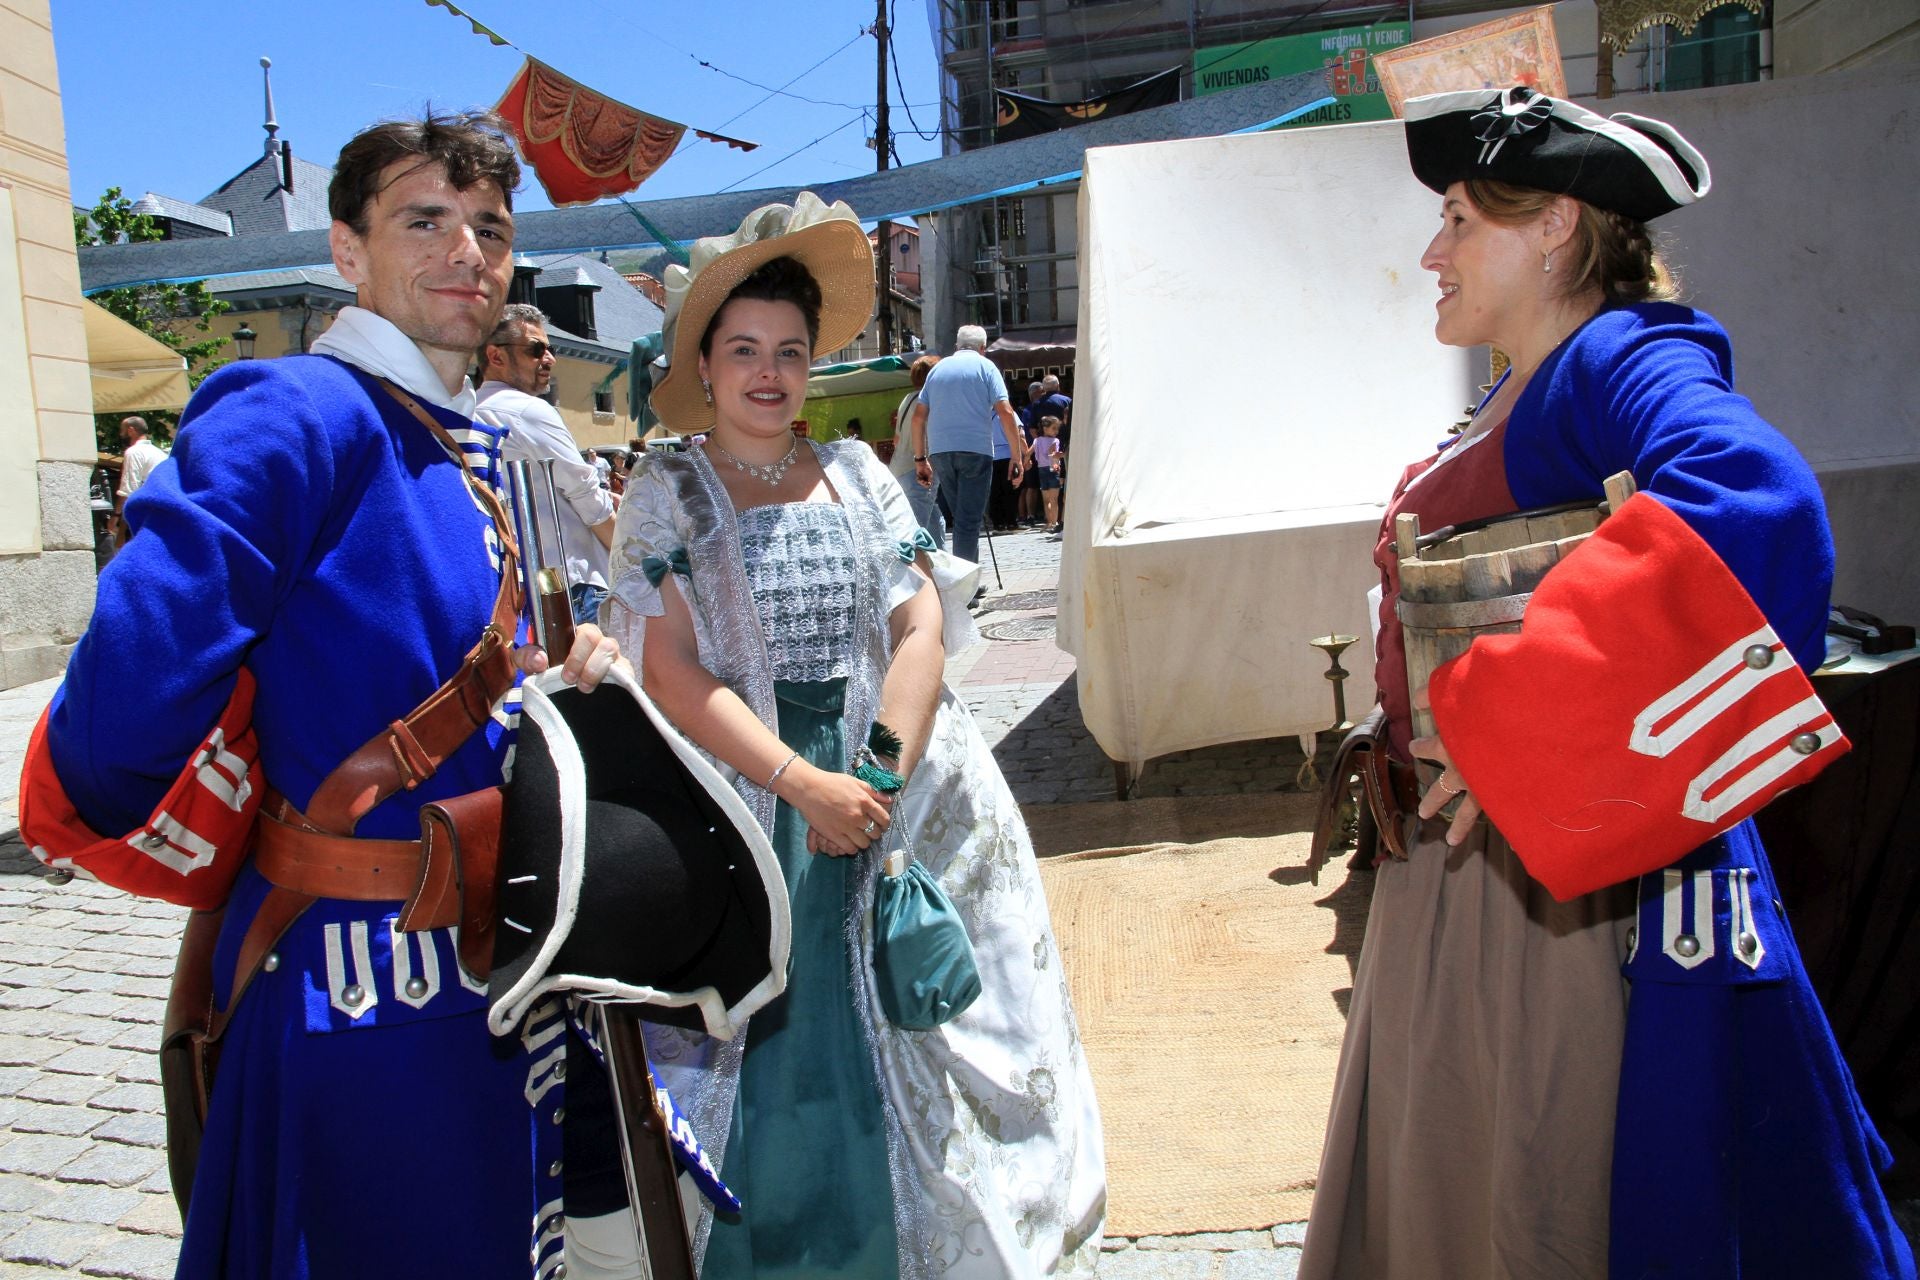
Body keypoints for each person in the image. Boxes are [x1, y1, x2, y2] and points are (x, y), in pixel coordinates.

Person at [1300, 87, 1915, 1279]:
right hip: (1478, 884)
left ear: (1557, 228)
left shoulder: (1616, 356)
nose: (1432, 249)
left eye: (1464, 217)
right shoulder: (1526, 382)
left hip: (1558, 908)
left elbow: (1761, 503)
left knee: (1555, 1206)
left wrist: (1521, 725)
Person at [27, 112, 620, 1278]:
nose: (467, 252)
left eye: (490, 228)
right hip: (352, 990)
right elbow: (116, 716)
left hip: (471, 977)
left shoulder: (467, 440)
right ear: (347, 250)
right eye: (424, 220)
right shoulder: (298, 409)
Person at [603, 192, 1105, 1278]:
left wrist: (876, 767)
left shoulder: (862, 472)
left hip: (894, 783)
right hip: (743, 801)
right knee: (775, 1046)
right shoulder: (667, 489)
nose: (770, 373)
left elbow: (919, 616)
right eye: (744, 349)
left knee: (915, 1032)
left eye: (789, 349)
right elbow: (668, 666)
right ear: (705, 358)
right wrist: (800, 781)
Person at [477, 302, 619, 625]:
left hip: (518, 592)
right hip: (574, 586)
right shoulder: (528, 411)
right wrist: (636, 562)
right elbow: (591, 503)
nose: (550, 358)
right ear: (495, 356)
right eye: (535, 349)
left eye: (550, 348)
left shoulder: (469, 411)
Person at [910, 324, 1024, 566]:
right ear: (983, 348)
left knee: (963, 519)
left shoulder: (937, 370)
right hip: (975, 449)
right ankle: (964, 589)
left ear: (957, 346)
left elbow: (918, 417)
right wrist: (1016, 456)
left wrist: (920, 458)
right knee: (968, 520)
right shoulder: (986, 367)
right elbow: (1005, 411)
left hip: (941, 451)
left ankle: (969, 578)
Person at [888, 354, 945, 549]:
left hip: (899, 467)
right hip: (920, 467)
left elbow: (897, 438)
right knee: (916, 531)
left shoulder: (907, 399)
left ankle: (943, 567)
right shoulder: (929, 399)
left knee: (934, 519)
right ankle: (917, 573)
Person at [112, 414, 166, 545]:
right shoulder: (160, 453)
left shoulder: (134, 452)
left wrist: (115, 517)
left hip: (144, 515)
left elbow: (129, 490)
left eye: (122, 430)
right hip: (162, 511)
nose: (121, 434)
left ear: (131, 430)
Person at [1031, 415, 1064, 534]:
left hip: (1043, 470)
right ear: (1045, 428)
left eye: (1057, 428)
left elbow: (1030, 452)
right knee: (1051, 499)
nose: (1056, 431)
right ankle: (1052, 522)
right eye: (1054, 428)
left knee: (1049, 499)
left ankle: (1051, 522)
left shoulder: (1038, 440)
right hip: (1050, 470)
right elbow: (1053, 454)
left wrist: (1026, 460)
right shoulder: (1053, 441)